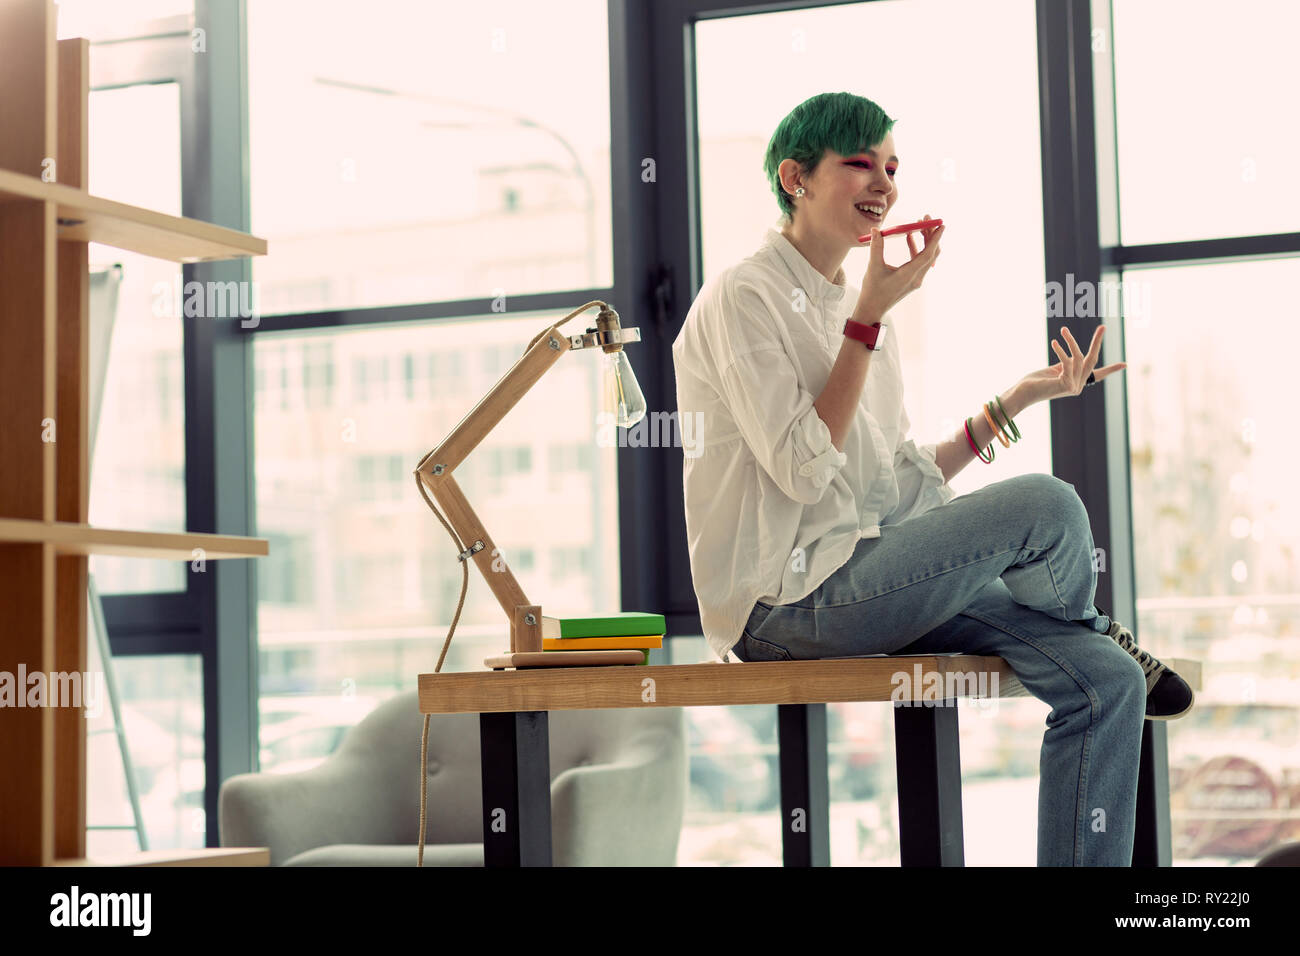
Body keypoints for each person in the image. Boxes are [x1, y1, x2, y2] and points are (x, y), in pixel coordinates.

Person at [670, 91, 1194, 866]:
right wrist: (868, 321)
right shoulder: (742, 298)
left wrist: (1017, 399)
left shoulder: (857, 308)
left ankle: (1091, 637)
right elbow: (804, 470)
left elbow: (899, 491)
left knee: (1108, 679)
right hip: (782, 606)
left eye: (891, 166)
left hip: (863, 578)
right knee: (1048, 503)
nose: (883, 182)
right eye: (859, 163)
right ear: (795, 178)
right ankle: (1087, 616)